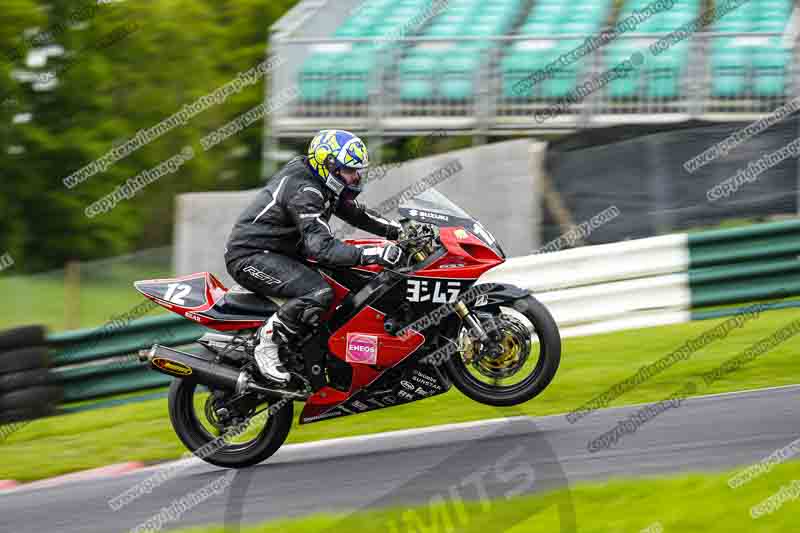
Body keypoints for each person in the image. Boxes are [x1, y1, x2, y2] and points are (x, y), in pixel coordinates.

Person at [224, 130, 404, 383]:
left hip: (282, 251)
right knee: (318, 292)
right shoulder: (305, 191)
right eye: (349, 170)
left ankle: (308, 355)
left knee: (342, 281)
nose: (356, 177)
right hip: (250, 256)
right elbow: (321, 248)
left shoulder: (320, 181)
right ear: (328, 165)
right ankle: (266, 345)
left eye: (357, 170)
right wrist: (374, 253)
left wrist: (397, 230)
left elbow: (354, 213)